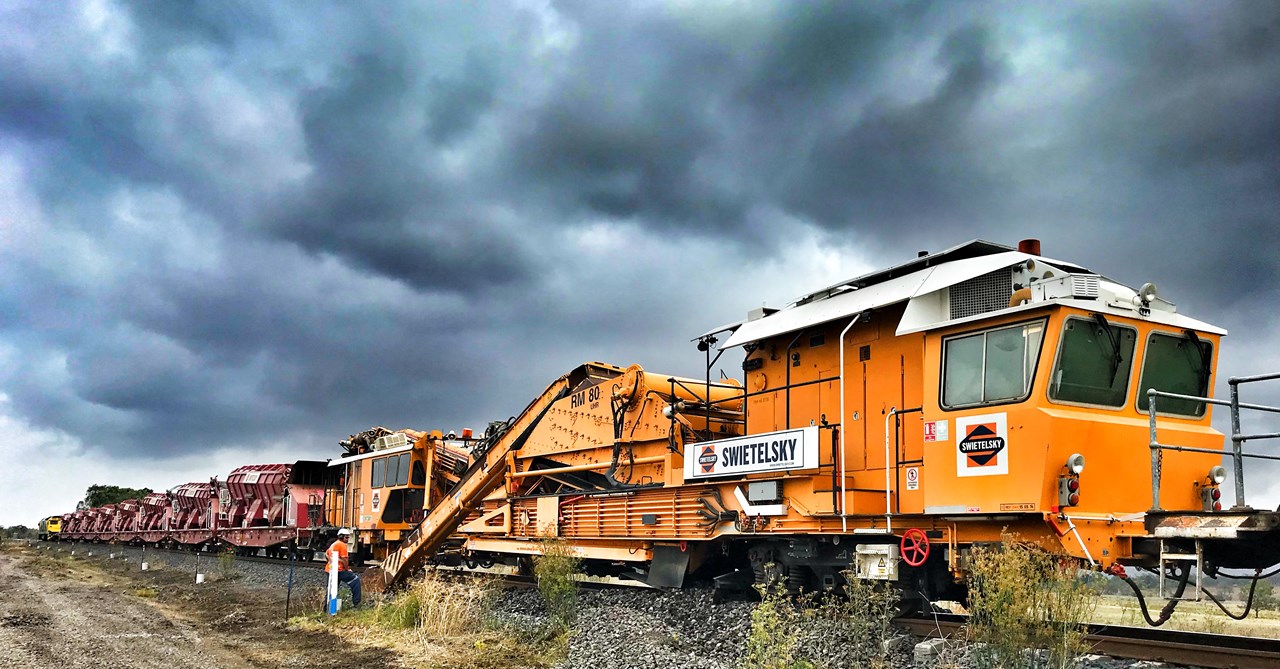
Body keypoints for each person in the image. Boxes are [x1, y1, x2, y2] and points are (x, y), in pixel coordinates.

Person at [326, 528, 361, 607]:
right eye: (346, 537)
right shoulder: (342, 545)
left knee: (332, 589)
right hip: (339, 570)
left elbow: (326, 554)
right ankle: (357, 603)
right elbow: (345, 559)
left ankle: (327, 607)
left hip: (329, 569)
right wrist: (347, 569)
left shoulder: (334, 544)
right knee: (356, 580)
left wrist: (331, 561)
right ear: (341, 537)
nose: (348, 539)